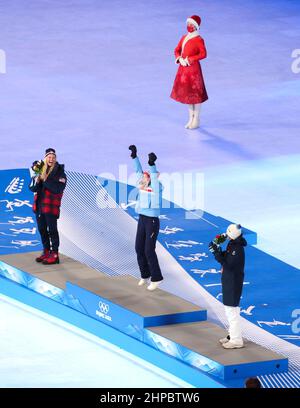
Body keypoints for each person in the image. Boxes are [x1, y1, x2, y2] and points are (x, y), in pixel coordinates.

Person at [128, 145, 163, 291]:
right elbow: (138, 171)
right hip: (142, 218)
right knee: (138, 248)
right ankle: (145, 274)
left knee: (149, 249)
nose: (144, 176)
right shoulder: (142, 184)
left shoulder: (156, 186)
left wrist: (152, 164)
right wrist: (134, 156)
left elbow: (153, 178)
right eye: (145, 174)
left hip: (152, 221)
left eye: (147, 175)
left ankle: (157, 278)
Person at [209, 224, 247, 349]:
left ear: (233, 235)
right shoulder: (233, 244)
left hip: (233, 281)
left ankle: (236, 340)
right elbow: (226, 257)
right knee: (230, 309)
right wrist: (217, 243)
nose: (227, 237)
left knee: (232, 311)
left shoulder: (237, 248)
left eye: (228, 235)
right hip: (229, 280)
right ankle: (232, 335)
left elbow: (228, 264)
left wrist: (216, 253)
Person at [29, 148, 67, 265]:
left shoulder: (60, 173)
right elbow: (32, 188)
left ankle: (54, 254)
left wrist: (45, 180)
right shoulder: (40, 170)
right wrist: (37, 179)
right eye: (49, 157)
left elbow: (58, 189)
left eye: (53, 157)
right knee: (42, 230)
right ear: (45, 158)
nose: (51, 159)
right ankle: (46, 251)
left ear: (56, 159)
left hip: (51, 206)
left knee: (52, 230)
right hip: (40, 206)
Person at [170, 15, 208, 129]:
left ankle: (196, 118)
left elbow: (203, 54)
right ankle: (190, 118)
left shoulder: (199, 40)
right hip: (184, 70)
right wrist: (179, 58)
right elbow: (177, 49)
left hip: (193, 71)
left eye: (192, 25)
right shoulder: (184, 37)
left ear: (196, 26)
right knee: (188, 94)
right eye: (188, 24)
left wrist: (190, 59)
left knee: (195, 95)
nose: (189, 26)